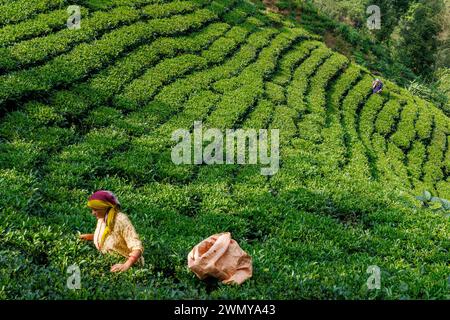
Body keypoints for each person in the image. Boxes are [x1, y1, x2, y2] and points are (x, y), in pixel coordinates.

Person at [79, 190, 144, 272]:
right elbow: (111, 236)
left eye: (95, 210)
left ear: (105, 208)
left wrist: (126, 265)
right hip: (108, 259)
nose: (93, 213)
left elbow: (137, 247)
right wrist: (91, 237)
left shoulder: (121, 220)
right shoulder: (102, 218)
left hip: (126, 263)